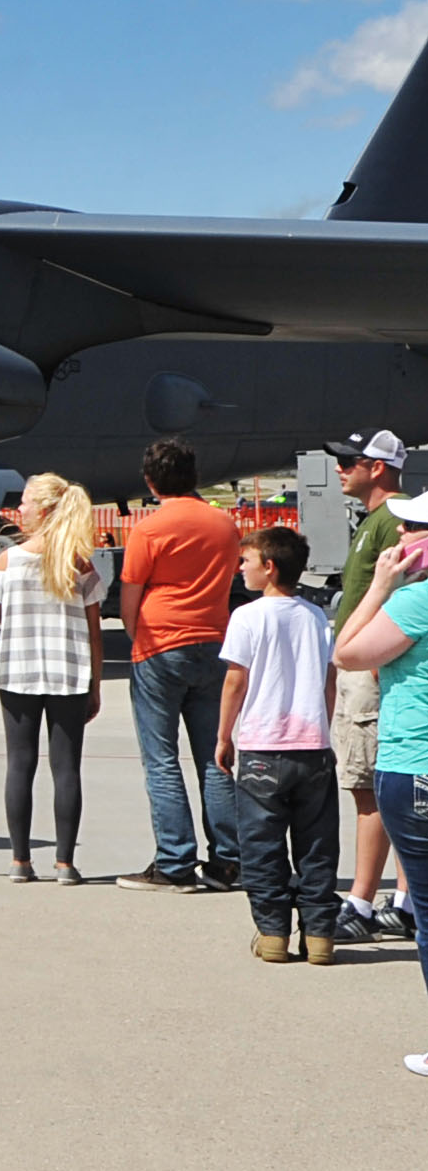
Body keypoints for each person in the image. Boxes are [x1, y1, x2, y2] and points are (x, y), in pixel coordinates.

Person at [118, 437, 244, 892]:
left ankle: (175, 862)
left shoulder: (149, 529)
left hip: (161, 644)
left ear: (150, 482)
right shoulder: (225, 525)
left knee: (162, 761)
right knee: (215, 756)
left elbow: (130, 596)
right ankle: (228, 860)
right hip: (214, 641)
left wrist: (139, 638)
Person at [332, 500, 428, 1076]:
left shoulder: (416, 602)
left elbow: (347, 652)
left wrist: (379, 586)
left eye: (415, 527)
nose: (402, 533)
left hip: (415, 764)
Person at [217, 526, 339, 962]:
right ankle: (320, 933)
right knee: (316, 844)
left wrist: (224, 735)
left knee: (262, 843)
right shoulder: (315, 617)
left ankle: (272, 932)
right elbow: (328, 681)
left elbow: (236, 680)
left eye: (246, 561)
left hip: (263, 745)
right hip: (312, 745)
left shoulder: (247, 617)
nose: (241, 569)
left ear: (268, 567)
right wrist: (323, 726)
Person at [0, 472, 104, 883]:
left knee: (20, 764)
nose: (20, 508)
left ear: (44, 510)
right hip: (69, 673)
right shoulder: (79, 564)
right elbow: (95, 632)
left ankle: (20, 860)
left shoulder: (8, 560)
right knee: (66, 769)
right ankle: (65, 863)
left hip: (19, 672)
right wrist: (95, 685)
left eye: (26, 501)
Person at [326, 430, 417, 943]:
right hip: (362, 665)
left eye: (350, 461)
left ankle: (362, 900)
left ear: (377, 468)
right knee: (376, 786)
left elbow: (396, 593)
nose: (341, 469)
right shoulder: (375, 519)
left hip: (370, 668)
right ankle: (404, 899)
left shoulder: (389, 521)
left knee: (370, 789)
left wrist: (377, 665)